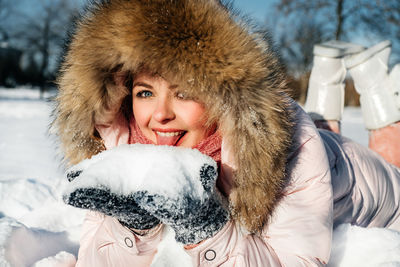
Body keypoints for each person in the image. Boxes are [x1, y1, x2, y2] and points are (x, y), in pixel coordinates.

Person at [53, 0, 400, 266]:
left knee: (390, 158)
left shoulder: (285, 143)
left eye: (184, 92)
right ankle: (328, 80)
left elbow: (295, 260)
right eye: (145, 92)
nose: (160, 115)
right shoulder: (122, 141)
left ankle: (374, 89)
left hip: (372, 183)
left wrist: (207, 227)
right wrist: (132, 227)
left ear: (220, 96)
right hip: (326, 158)